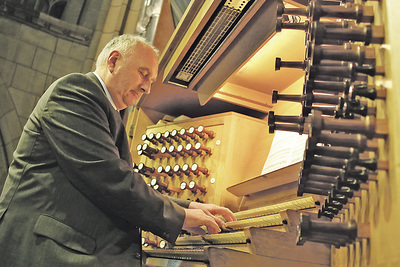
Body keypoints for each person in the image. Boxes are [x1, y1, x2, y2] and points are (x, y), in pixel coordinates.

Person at [0, 34, 236, 266]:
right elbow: (109, 178)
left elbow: (115, 180)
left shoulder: (107, 110)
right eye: (143, 74)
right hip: (43, 251)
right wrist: (179, 217)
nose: (147, 89)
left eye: (152, 81)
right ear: (113, 62)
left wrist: (189, 207)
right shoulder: (75, 92)